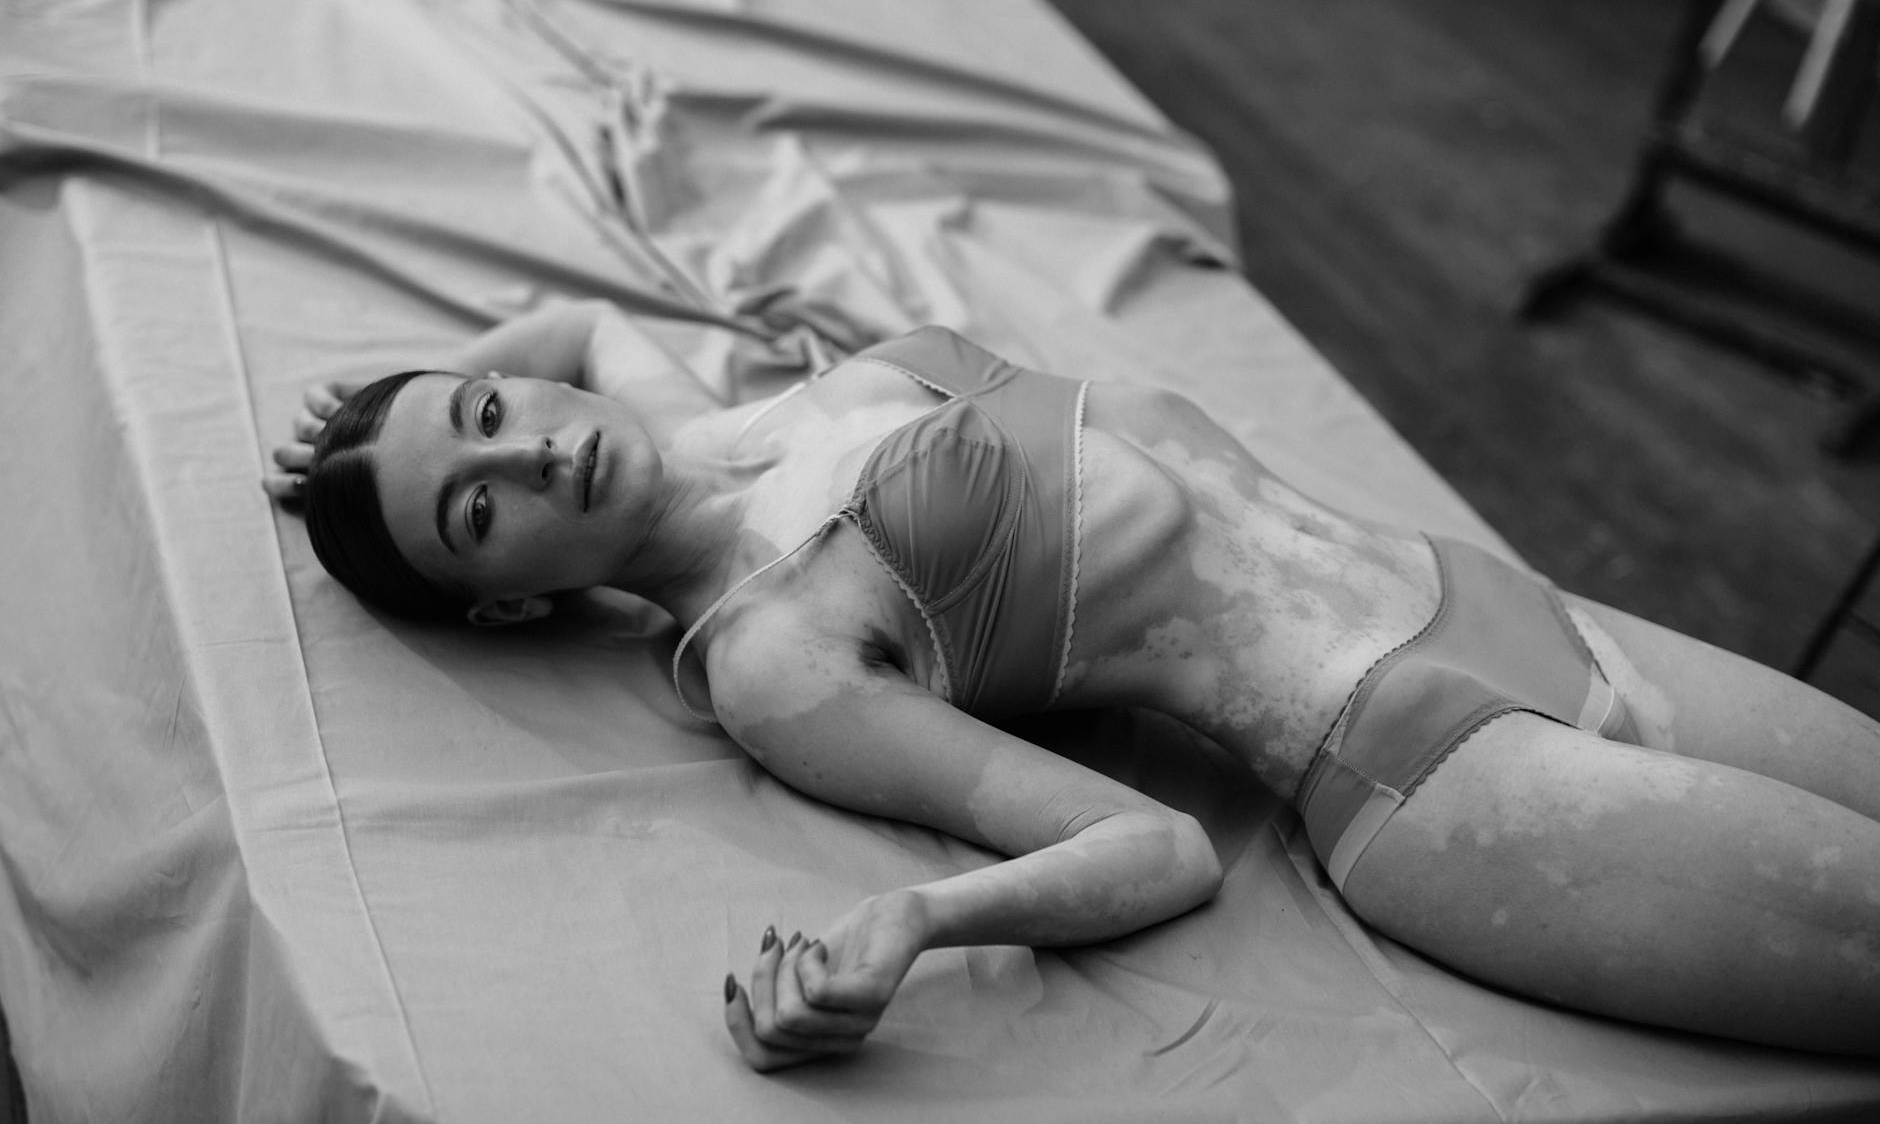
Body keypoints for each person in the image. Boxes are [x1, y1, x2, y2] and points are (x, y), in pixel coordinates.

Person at [267, 300, 1880, 1068]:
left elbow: (591, 327)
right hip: (1431, 770)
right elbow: (1155, 845)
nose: (534, 445)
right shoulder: (772, 655)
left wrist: (371, 417)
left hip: (1513, 605)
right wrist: (915, 925)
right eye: (484, 509)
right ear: (516, 599)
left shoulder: (722, 412)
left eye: (488, 405)